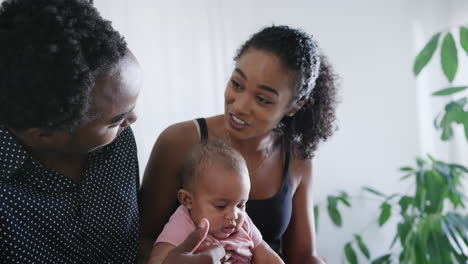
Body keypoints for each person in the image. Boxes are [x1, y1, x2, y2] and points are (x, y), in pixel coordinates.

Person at [0, 0, 226, 263]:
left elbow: (130, 248)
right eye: (116, 120)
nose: (134, 118)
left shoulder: (118, 143)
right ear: (45, 134)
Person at [140, 25, 338, 264]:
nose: (240, 105)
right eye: (237, 84)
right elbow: (142, 238)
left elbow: (304, 257)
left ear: (295, 106)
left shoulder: (297, 158)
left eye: (263, 99)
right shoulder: (179, 141)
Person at [149, 140, 284, 264]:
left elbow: (268, 257)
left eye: (240, 205)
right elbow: (158, 260)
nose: (234, 215)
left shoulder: (244, 223)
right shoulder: (183, 224)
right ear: (187, 200)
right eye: (221, 206)